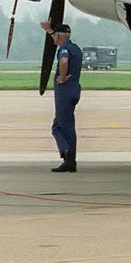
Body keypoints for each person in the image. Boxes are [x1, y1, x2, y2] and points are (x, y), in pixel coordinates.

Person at [42, 20, 83, 172]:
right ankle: (69, 156)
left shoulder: (64, 50)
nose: (53, 39)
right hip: (74, 90)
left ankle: (68, 156)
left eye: (54, 37)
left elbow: (64, 61)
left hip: (64, 91)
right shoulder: (75, 48)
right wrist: (49, 30)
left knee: (61, 126)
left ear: (59, 37)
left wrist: (63, 76)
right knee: (62, 124)